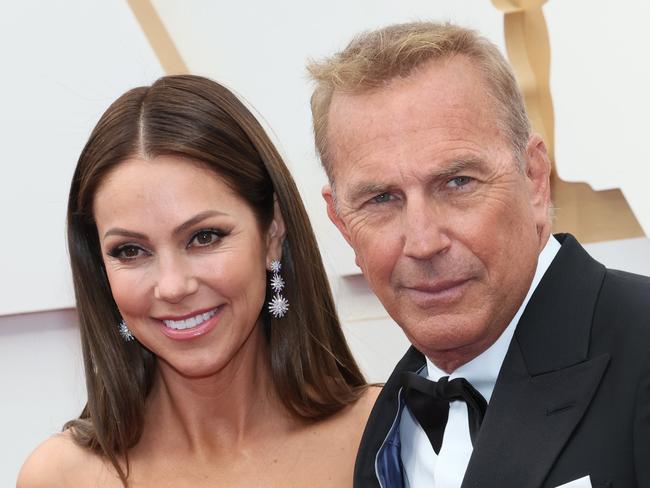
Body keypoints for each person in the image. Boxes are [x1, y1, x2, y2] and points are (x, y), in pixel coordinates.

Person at [307, 21, 650, 488]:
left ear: (533, 178)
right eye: (381, 199)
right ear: (342, 222)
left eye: (457, 182)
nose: (424, 242)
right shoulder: (383, 425)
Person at [18, 75, 379, 488]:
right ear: (100, 269)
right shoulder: (61, 477)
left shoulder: (385, 436)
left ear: (272, 232)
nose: (172, 286)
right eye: (131, 251)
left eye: (204, 237)